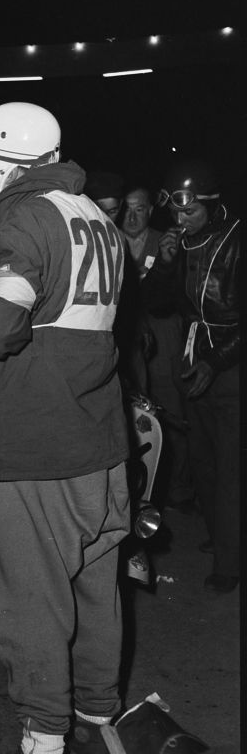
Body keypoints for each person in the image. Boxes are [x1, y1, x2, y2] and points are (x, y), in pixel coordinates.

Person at [0, 103, 130, 754]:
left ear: (2, 161)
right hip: (100, 445)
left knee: (28, 602)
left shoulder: (27, 216)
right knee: (95, 597)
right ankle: (96, 723)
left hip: (40, 444)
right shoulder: (97, 217)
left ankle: (43, 748)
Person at [140, 159, 240, 596]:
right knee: (202, 460)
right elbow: (157, 305)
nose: (180, 221)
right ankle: (223, 537)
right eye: (175, 214)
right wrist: (163, 264)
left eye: (190, 212)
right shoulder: (180, 244)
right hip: (193, 357)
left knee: (231, 468)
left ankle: (229, 561)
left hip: (232, 366)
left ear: (213, 205)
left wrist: (216, 361)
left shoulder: (237, 239)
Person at [124, 184, 194, 512]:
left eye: (140, 208)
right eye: (127, 208)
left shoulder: (165, 241)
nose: (132, 215)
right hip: (127, 336)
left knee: (171, 409)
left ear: (151, 210)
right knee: (134, 412)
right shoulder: (109, 239)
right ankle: (138, 489)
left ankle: (178, 487)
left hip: (164, 333)